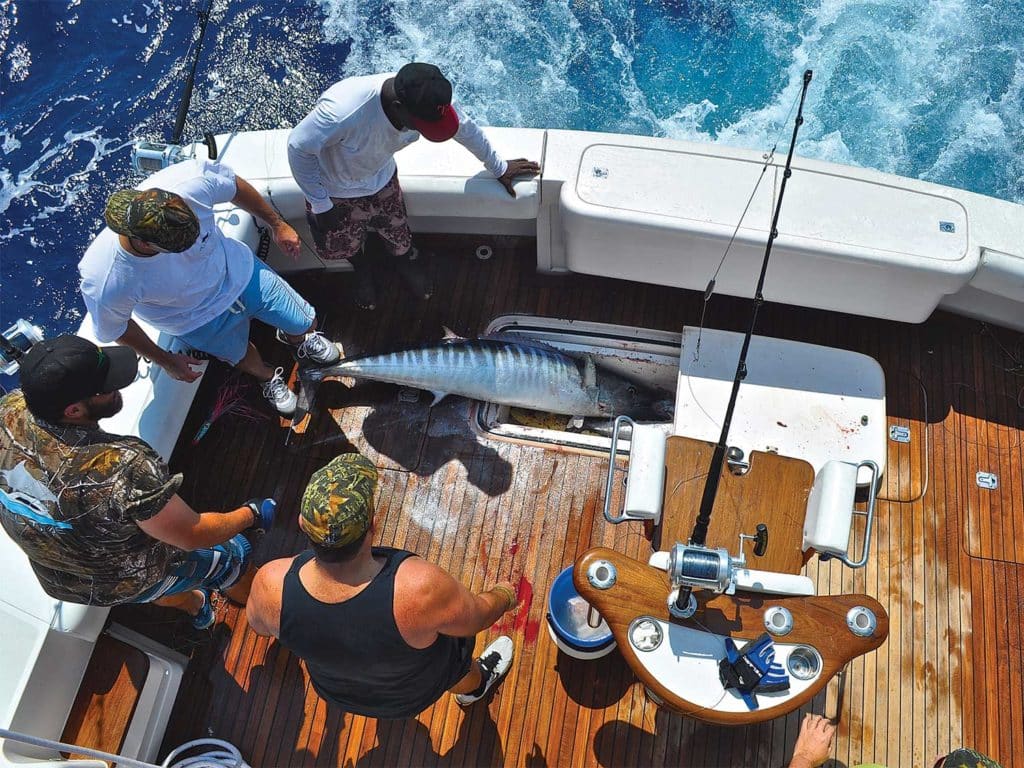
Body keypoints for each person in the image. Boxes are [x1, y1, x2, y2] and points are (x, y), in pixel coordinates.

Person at [0, 335, 274, 629]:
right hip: (130, 571)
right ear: (73, 411)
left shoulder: (8, 409)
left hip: (70, 580)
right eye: (105, 388)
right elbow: (192, 535)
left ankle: (197, 606)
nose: (117, 386)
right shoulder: (122, 466)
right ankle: (263, 608)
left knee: (153, 587)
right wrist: (251, 514)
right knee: (234, 556)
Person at [246, 453, 518, 718]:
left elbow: (259, 627)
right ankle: (477, 686)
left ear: (302, 525)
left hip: (340, 693)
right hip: (414, 693)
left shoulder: (269, 585)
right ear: (373, 526)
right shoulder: (419, 588)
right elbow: (477, 617)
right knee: (457, 664)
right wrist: (504, 594)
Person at [79, 157, 340, 415]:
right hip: (193, 318)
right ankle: (266, 375)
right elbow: (116, 327)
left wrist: (277, 223)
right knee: (240, 355)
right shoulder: (105, 277)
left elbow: (234, 186)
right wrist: (167, 361)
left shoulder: (190, 180)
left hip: (239, 272)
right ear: (146, 244)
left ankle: (298, 341)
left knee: (305, 322)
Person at [287, 61, 541, 310]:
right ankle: (362, 269)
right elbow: (298, 148)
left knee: (398, 235)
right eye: (424, 127)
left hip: (383, 179)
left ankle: (403, 261)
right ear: (399, 108)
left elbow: (464, 128)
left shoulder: (429, 97)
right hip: (335, 191)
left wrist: (499, 167)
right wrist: (321, 202)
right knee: (344, 245)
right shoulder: (342, 112)